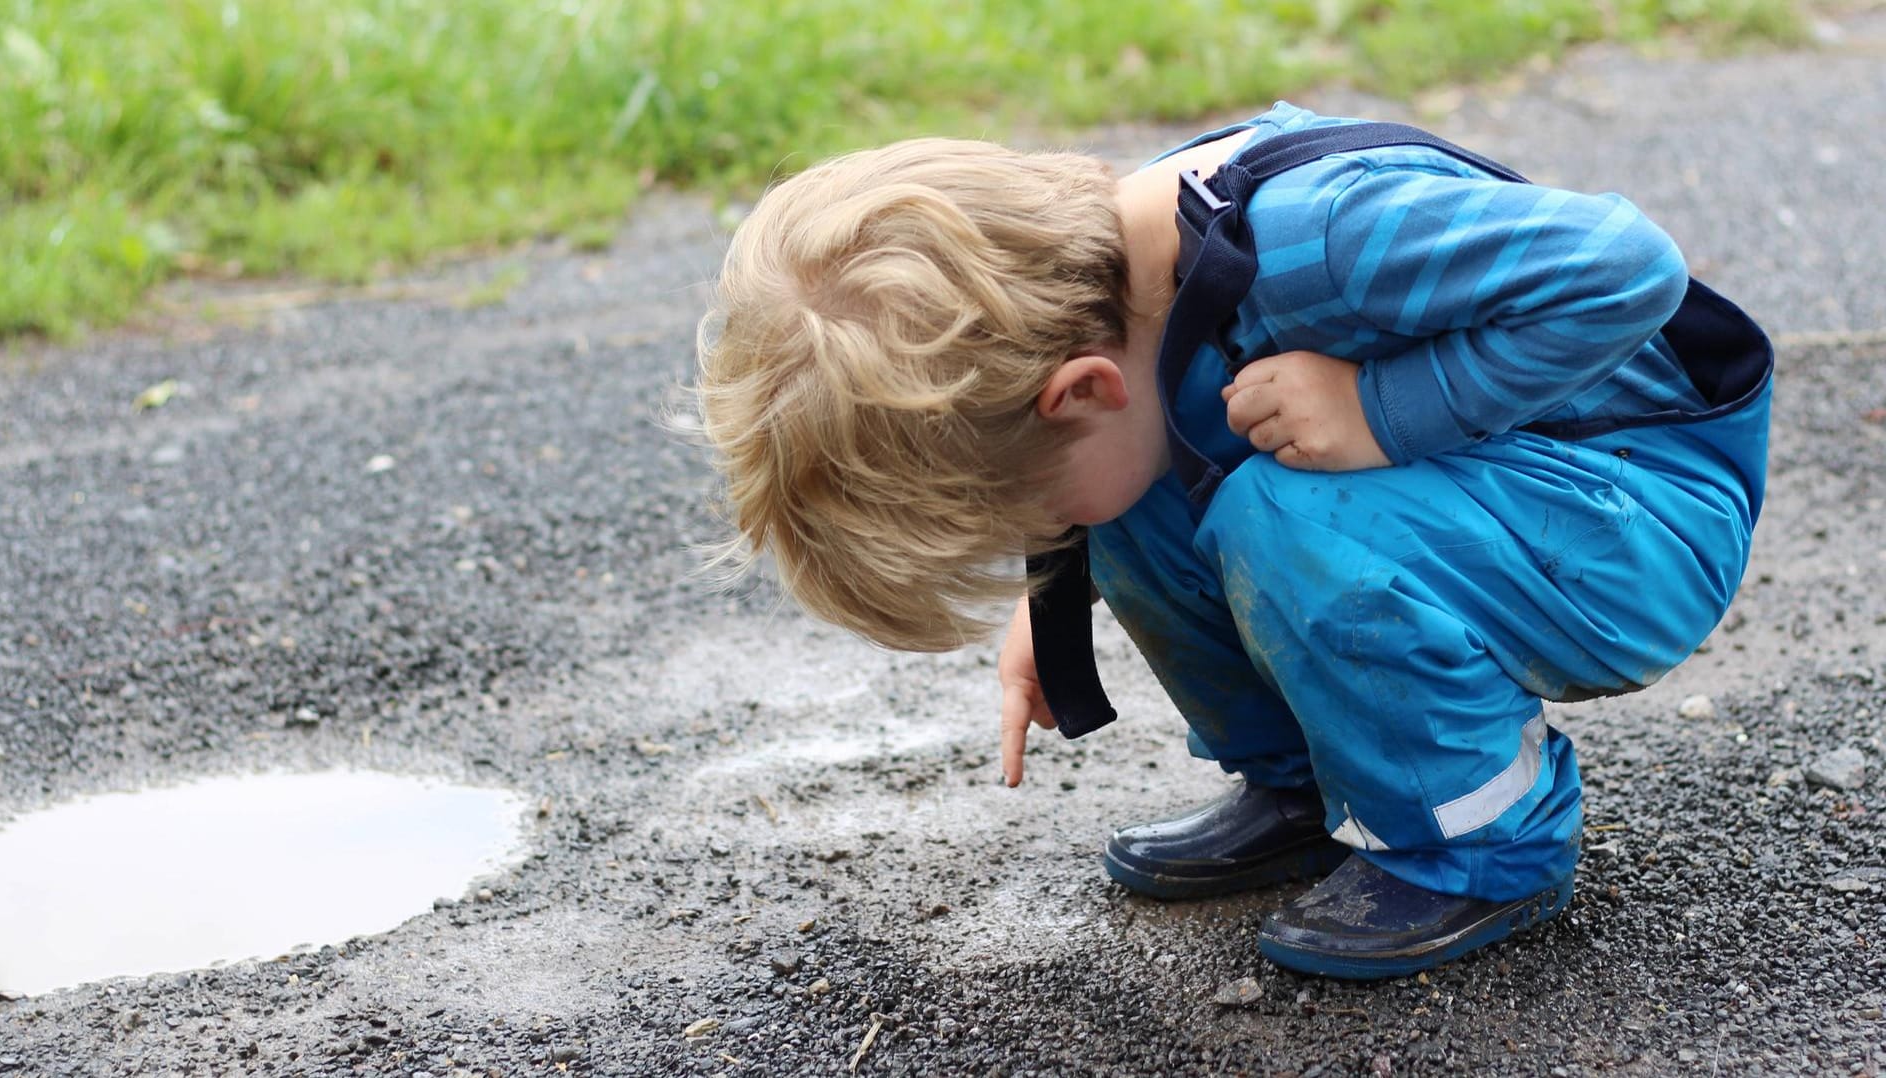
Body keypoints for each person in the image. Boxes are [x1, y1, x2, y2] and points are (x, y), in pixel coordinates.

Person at [694, 101, 1772, 979]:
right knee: (1132, 500)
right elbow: (1111, 458)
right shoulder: (1118, 282)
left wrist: (1381, 406)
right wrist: (1058, 572)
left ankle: (1485, 845)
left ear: (1079, 392)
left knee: (1273, 505)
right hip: (1503, 494)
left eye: (1022, 518)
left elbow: (1629, 267)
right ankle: (1316, 781)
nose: (1037, 540)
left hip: (1641, 512)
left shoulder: (1327, 242)